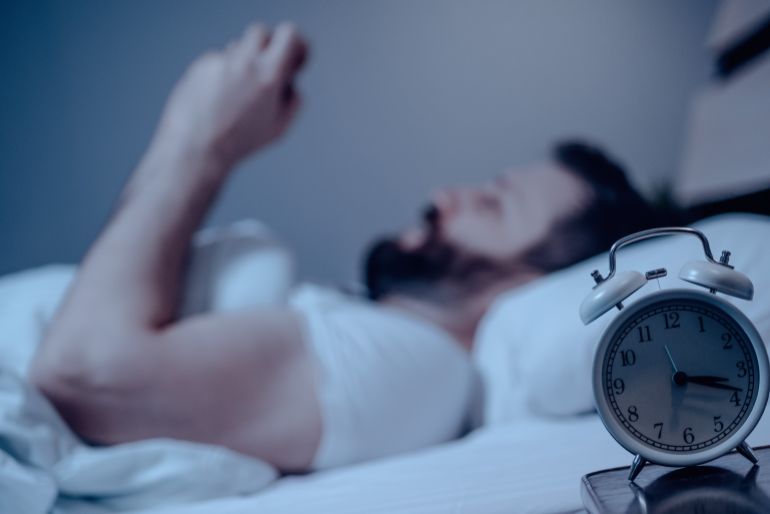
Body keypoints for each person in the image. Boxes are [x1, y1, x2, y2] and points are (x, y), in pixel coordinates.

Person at [30, 22, 665, 474]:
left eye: (493, 204)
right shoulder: (382, 338)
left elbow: (85, 373)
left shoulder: (414, 366)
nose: (446, 195)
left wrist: (202, 140)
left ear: (527, 286)